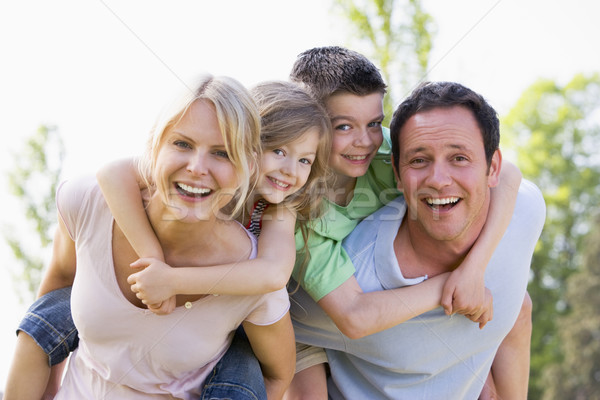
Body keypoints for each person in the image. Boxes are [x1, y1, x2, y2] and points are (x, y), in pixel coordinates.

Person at [4, 75, 296, 399]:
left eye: (222, 153)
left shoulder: (251, 279)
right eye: (182, 144)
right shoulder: (88, 203)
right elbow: (53, 301)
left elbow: (276, 377)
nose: (197, 167)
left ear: (249, 166)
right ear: (154, 147)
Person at [284, 46, 528, 399]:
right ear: (308, 124)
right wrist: (450, 285)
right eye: (344, 126)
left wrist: (473, 270)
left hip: (376, 282)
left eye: (372, 123)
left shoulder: (385, 154)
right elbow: (353, 317)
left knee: (517, 305)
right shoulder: (300, 211)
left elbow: (506, 172)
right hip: (307, 316)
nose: (364, 141)